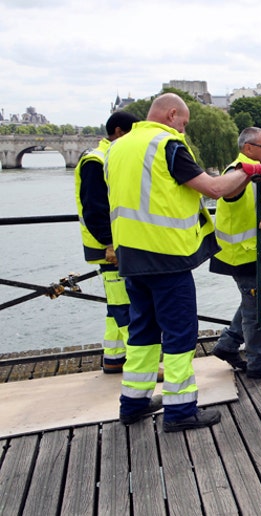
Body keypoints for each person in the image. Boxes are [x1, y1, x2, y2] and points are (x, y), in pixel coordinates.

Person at [106, 93, 261, 431]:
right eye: (184, 122)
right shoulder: (165, 144)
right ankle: (180, 411)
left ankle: (133, 403)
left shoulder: (118, 147)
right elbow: (214, 188)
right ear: (172, 113)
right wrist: (250, 170)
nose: (184, 129)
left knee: (142, 332)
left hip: (130, 255)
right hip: (166, 256)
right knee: (180, 335)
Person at [210, 127, 261, 379]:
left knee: (252, 301)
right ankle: (258, 362)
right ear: (248, 149)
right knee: (257, 309)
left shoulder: (256, 171)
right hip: (242, 254)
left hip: (249, 252)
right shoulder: (238, 172)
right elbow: (228, 193)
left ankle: (227, 345)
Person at [74, 111, 139, 374]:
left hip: (111, 246)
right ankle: (138, 365)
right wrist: (110, 243)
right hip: (109, 248)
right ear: (121, 132)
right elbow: (95, 210)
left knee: (115, 307)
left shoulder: (107, 158)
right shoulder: (96, 160)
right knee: (126, 305)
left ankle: (114, 357)